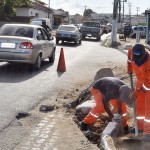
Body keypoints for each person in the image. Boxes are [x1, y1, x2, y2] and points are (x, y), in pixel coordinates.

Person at [127, 43, 150, 141]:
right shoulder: (131, 51)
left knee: (148, 110)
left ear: (144, 55)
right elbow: (129, 60)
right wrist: (129, 67)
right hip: (140, 83)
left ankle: (148, 133)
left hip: (148, 86)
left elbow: (148, 85)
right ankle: (139, 127)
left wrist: (136, 92)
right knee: (139, 106)